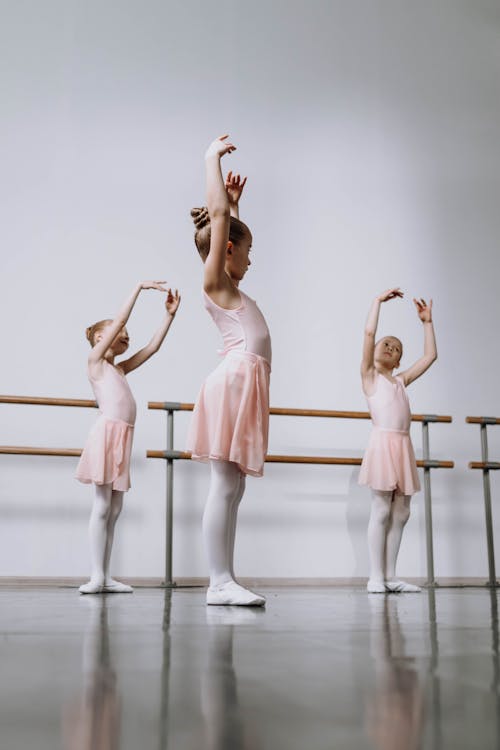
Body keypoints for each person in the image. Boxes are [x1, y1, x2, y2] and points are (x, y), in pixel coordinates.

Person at [188, 135, 271, 606]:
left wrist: (236, 205)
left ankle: (226, 577)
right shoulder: (215, 281)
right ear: (227, 251)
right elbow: (218, 220)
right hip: (233, 383)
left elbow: (227, 222)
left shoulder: (229, 283)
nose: (251, 258)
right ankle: (218, 581)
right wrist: (211, 160)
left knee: (234, 486)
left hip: (246, 384)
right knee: (224, 484)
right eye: (247, 248)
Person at [76, 281, 180, 594]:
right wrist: (139, 288)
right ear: (99, 338)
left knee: (116, 509)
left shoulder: (119, 370)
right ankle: (96, 576)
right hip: (106, 435)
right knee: (103, 506)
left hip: (124, 437)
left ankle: (105, 576)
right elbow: (120, 322)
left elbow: (151, 348)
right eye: (119, 332)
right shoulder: (95, 364)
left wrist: (169, 317)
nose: (125, 335)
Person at [359, 288, 437, 593]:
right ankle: (375, 577)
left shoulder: (401, 381)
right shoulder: (370, 376)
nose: (391, 347)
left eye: (397, 347)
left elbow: (430, 356)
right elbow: (368, 333)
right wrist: (377, 302)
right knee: (380, 509)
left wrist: (427, 323)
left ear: (399, 360)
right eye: (386, 343)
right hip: (383, 443)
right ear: (376, 350)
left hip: (403, 446)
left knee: (402, 512)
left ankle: (390, 576)